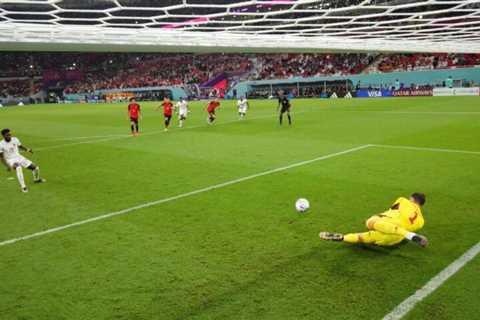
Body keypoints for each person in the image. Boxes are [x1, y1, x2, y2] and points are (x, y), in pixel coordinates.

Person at [320, 193, 428, 247]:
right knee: (370, 235)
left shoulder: (403, 201)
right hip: (394, 239)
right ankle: (410, 235)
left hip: (388, 224)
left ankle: (344, 237)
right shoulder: (421, 221)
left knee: (369, 226)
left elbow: (392, 209)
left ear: (412, 199)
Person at [0, 128, 46, 193]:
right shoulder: (1, 144)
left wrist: (27, 150)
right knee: (18, 168)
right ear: (3, 136)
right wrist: (7, 166)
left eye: (10, 134)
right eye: (7, 135)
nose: (9, 136)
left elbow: (20, 146)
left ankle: (36, 179)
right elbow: (1, 158)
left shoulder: (15, 139)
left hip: (19, 157)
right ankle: (23, 187)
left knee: (35, 168)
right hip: (10, 160)